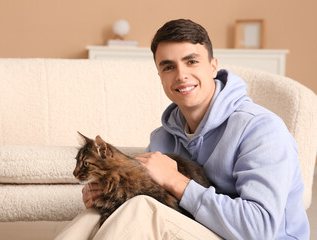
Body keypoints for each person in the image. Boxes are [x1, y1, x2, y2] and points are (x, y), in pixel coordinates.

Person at [54, 19, 310, 240]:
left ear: (213, 66)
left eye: (191, 61)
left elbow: (259, 230)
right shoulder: (162, 138)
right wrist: (104, 194)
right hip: (200, 230)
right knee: (95, 215)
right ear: (160, 76)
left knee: (142, 208)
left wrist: (178, 182)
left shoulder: (261, 129)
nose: (181, 74)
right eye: (168, 66)